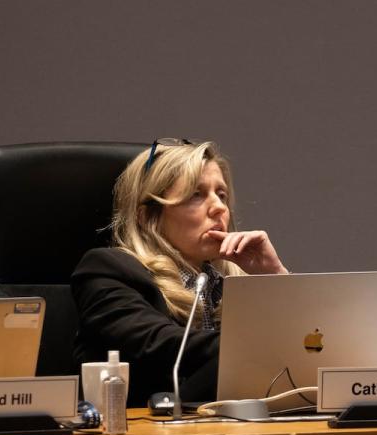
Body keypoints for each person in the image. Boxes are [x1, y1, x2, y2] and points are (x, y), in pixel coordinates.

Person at [72, 140, 289, 406]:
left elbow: (312, 348)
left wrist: (274, 280)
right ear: (148, 217)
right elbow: (161, 345)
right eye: (196, 195)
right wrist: (262, 345)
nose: (219, 208)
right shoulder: (107, 271)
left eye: (221, 195)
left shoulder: (232, 283)